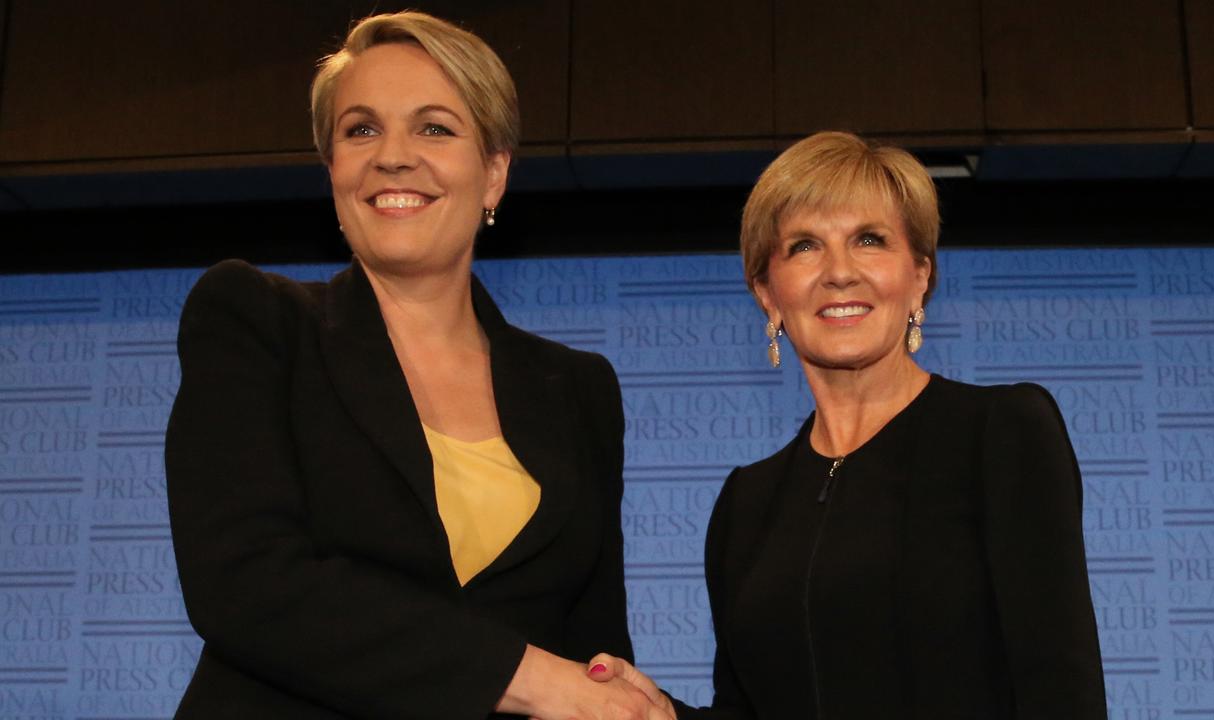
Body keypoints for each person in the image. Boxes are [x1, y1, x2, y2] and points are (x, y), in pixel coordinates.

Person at [165, 11, 671, 719]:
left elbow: (592, 652)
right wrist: (527, 676)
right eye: (361, 129)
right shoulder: (254, 317)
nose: (393, 155)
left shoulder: (579, 390)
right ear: (333, 168)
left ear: (494, 173)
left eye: (434, 127)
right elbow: (245, 583)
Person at [587, 132, 1107, 718]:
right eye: (805, 246)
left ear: (918, 277)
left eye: (869, 239)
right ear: (768, 294)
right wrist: (657, 713)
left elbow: (1062, 689)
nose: (839, 272)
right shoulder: (746, 503)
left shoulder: (1001, 431)